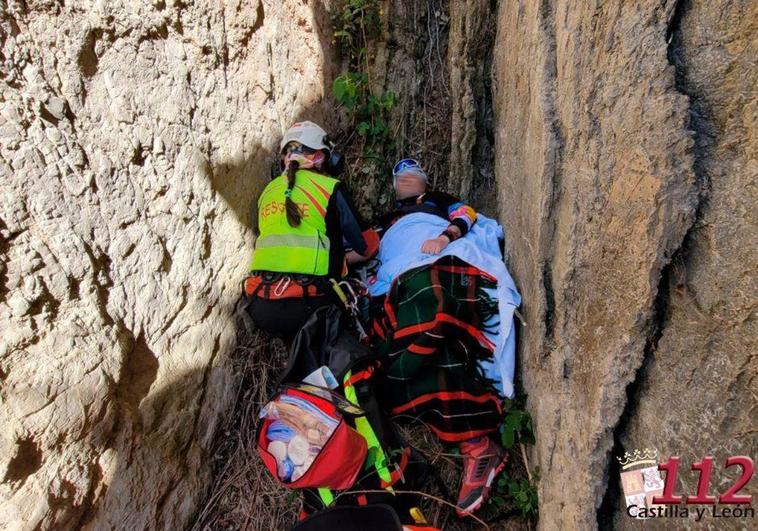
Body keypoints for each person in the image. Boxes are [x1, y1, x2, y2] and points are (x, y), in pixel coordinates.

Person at [370, 159, 513, 517]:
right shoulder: (385, 219)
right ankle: (477, 444)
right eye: (399, 168)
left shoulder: (437, 200)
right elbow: (363, 249)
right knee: (393, 347)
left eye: (413, 167)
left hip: (432, 254)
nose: (405, 170)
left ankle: (478, 444)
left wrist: (443, 236)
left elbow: (466, 213)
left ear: (424, 180)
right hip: (395, 272)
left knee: (430, 298)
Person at [244, 121, 378, 340]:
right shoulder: (330, 188)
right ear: (321, 157)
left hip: (261, 305)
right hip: (310, 305)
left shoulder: (267, 192)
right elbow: (366, 245)